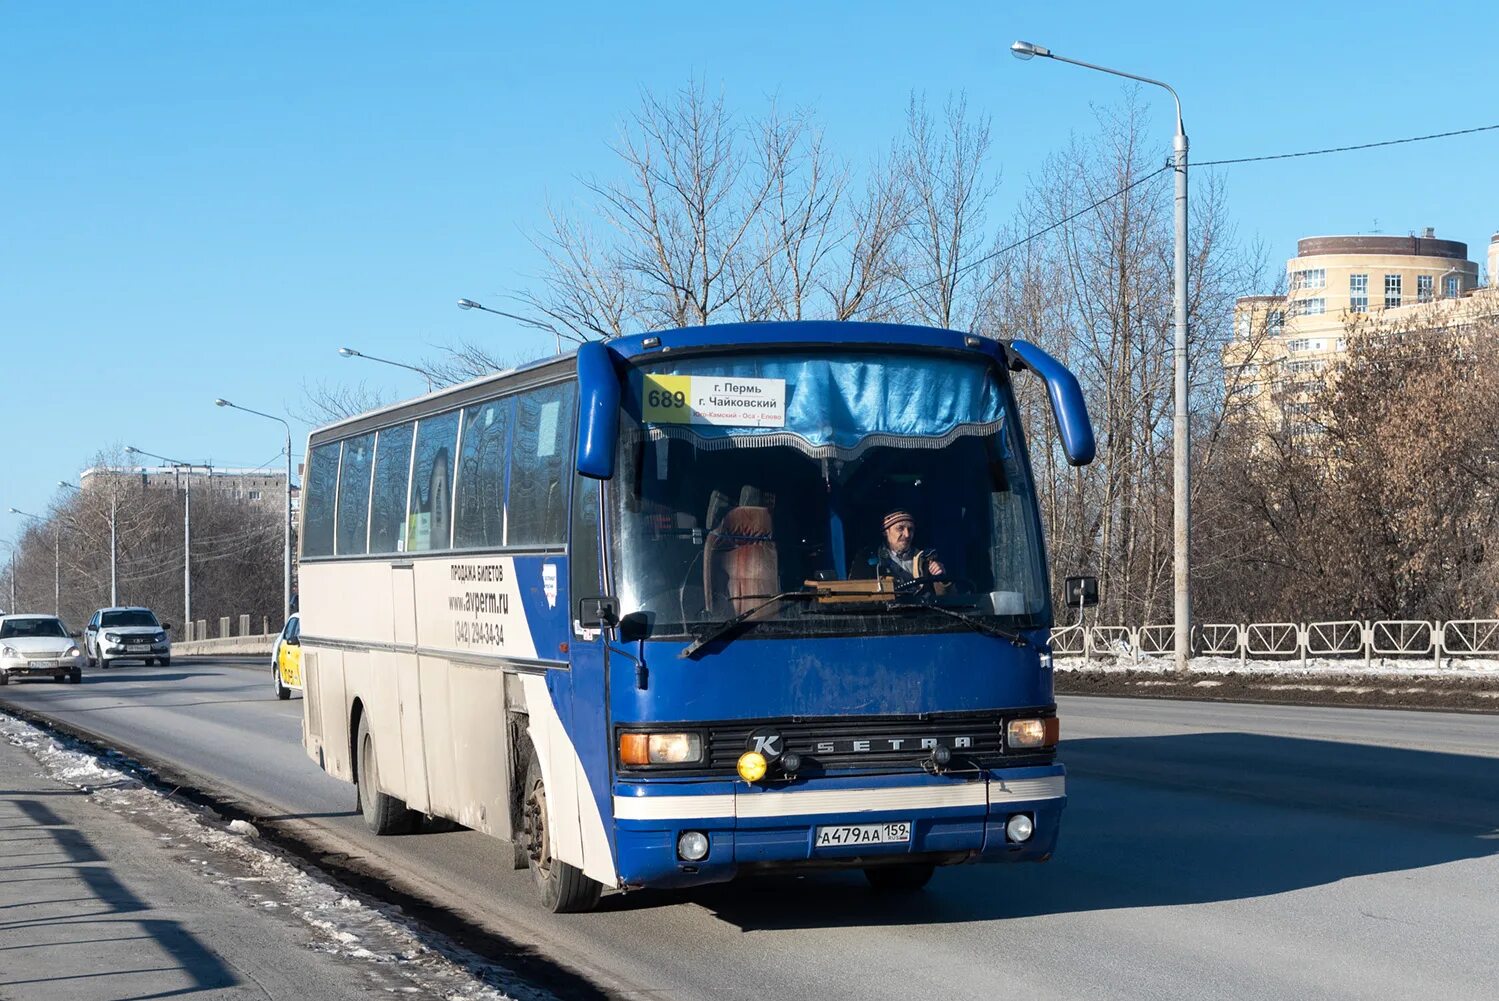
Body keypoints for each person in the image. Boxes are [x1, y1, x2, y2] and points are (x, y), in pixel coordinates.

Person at [853, 509, 946, 585]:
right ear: (886, 532)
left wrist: (941, 578)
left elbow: (944, 597)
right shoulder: (868, 560)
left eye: (910, 529)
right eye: (900, 528)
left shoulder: (927, 558)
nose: (907, 534)